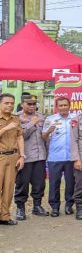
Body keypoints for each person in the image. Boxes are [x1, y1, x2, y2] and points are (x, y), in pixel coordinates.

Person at [14, 94, 48, 220]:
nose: (32, 106)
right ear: (22, 104)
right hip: (25, 158)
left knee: (39, 184)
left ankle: (37, 206)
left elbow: (45, 137)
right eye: (29, 104)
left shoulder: (42, 117)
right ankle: (20, 208)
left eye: (34, 104)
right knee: (22, 184)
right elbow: (19, 136)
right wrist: (31, 124)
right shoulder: (16, 118)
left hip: (40, 156)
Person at [42, 97, 75, 217]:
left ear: (69, 105)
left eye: (65, 105)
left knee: (71, 182)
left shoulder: (75, 118)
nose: (63, 107)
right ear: (57, 107)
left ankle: (69, 205)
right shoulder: (51, 119)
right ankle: (55, 207)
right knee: (54, 183)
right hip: (55, 157)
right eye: (60, 105)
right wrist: (48, 131)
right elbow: (44, 137)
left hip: (71, 157)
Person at [0, 94, 25, 225]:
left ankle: (5, 216)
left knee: (9, 188)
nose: (9, 105)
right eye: (6, 103)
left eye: (12, 103)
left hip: (13, 156)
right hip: (1, 156)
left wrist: (22, 156)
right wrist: (5, 128)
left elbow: (20, 137)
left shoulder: (16, 118)